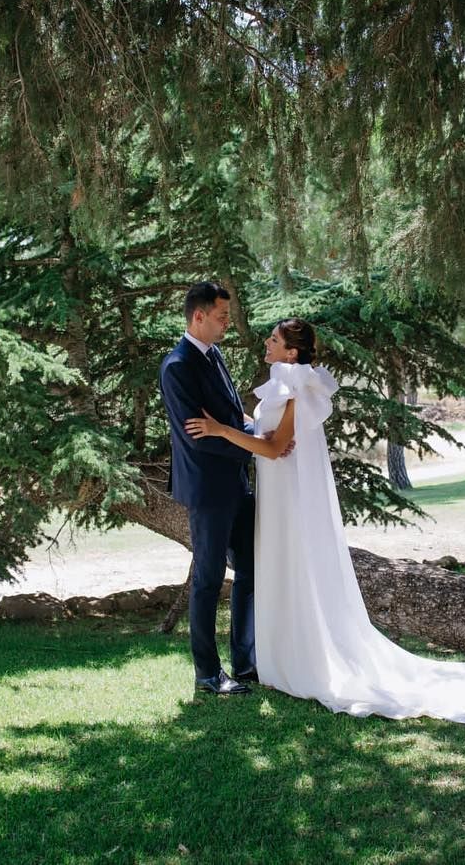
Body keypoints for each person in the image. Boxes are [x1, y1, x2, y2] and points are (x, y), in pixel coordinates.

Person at [185, 318, 465, 732]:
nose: (266, 343)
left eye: (273, 340)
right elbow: (270, 432)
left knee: (293, 568)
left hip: (287, 498)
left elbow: (275, 448)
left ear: (291, 352)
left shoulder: (298, 388)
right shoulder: (285, 382)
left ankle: (299, 657)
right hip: (276, 496)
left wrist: (221, 430)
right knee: (279, 570)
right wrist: (246, 424)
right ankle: (278, 655)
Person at [158, 282, 258, 695]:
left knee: (251, 571)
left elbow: (231, 417)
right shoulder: (177, 366)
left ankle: (246, 662)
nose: (226, 326)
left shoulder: (215, 355)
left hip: (236, 486)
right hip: (208, 490)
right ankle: (207, 673)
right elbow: (199, 437)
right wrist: (254, 450)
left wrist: (258, 433)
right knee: (208, 579)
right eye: (221, 318)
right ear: (198, 316)